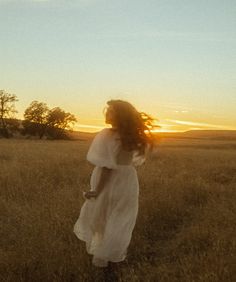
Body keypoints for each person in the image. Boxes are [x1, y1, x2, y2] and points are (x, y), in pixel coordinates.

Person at [73, 99, 156, 268]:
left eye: (111, 111)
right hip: (127, 181)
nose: (107, 113)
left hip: (110, 181)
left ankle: (102, 259)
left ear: (119, 115)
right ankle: (110, 256)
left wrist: (96, 190)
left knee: (101, 217)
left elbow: (108, 167)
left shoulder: (106, 135)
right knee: (119, 218)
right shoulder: (132, 136)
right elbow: (123, 163)